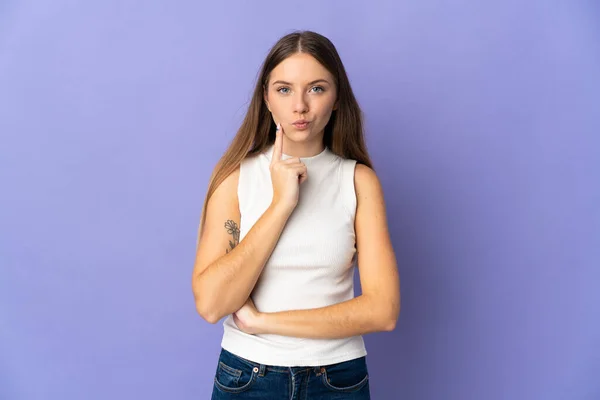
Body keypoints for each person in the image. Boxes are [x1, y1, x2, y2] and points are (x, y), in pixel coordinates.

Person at [192, 30, 400, 399]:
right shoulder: (235, 176)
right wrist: (281, 205)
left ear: (337, 99)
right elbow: (211, 304)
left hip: (338, 380)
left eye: (317, 88)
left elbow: (383, 310)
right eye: (284, 89)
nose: (300, 106)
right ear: (267, 99)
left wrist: (265, 322)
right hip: (247, 378)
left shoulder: (358, 182)